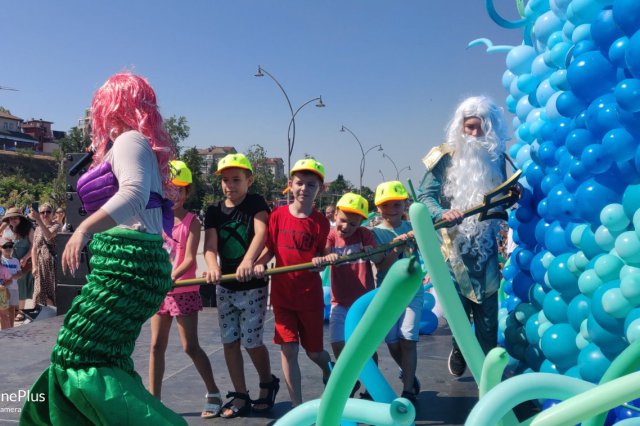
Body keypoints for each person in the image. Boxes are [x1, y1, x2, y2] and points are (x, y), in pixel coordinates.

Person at [20, 72, 186, 425]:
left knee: (77, 356)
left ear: (113, 106)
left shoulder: (130, 140)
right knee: (105, 359)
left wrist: (83, 228)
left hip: (128, 265)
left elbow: (134, 195)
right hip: (131, 264)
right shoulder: (132, 144)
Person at [417, 95, 508, 377]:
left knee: (488, 319)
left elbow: (502, 194)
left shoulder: (495, 157)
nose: (474, 133)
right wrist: (442, 214)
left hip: (486, 248)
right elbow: (425, 196)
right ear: (460, 126)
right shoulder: (444, 156)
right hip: (453, 249)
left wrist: (512, 196)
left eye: (480, 127)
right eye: (469, 127)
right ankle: (459, 346)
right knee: (459, 310)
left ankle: (488, 378)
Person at [203, 153, 279, 418]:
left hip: (253, 285)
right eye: (225, 180)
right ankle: (240, 394)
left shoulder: (255, 203)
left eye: (236, 179)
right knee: (230, 341)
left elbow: (261, 233)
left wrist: (249, 261)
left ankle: (267, 382)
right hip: (226, 286)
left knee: (251, 341)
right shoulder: (213, 211)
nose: (229, 185)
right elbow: (210, 247)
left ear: (249, 180)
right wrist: (212, 266)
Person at [254, 158, 333, 408]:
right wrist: (260, 262)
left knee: (313, 353)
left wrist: (323, 260)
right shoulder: (276, 216)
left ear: (319, 189)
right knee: (289, 350)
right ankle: (296, 406)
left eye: (311, 185)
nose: (304, 189)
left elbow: (324, 253)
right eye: (299, 183)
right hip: (283, 297)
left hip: (310, 298)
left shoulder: (321, 223)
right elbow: (269, 248)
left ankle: (328, 368)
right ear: (290, 185)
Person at [148, 160, 221, 419]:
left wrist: (169, 277)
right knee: (156, 345)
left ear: (187, 192)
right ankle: (153, 401)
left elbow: (190, 258)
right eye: (168, 189)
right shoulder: (156, 219)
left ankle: (213, 392)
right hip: (161, 291)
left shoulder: (192, 221)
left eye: (178, 189)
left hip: (183, 291)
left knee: (190, 346)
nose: (173, 194)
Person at [371, 181, 422, 407]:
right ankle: (408, 372)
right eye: (386, 206)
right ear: (378, 208)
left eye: (396, 205)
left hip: (413, 289)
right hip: (387, 292)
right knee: (392, 342)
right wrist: (396, 247)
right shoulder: (376, 234)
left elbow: (429, 248)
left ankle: (408, 388)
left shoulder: (414, 227)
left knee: (407, 337)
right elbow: (381, 266)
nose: (391, 210)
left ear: (405, 205)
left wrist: (416, 239)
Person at [1, 207, 34, 322]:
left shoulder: (28, 229)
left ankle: (20, 311)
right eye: (10, 218)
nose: (13, 220)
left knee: (21, 286)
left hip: (23, 263)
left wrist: (25, 258)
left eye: (15, 218)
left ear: (21, 218)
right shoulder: (9, 229)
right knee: (10, 285)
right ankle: (12, 309)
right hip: (9, 263)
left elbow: (33, 246)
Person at [30, 202, 62, 306]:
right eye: (42, 212)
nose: (45, 214)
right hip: (40, 263)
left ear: (52, 213)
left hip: (51, 265)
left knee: (51, 291)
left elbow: (48, 236)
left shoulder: (56, 226)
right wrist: (34, 266)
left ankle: (52, 315)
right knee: (39, 292)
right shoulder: (38, 228)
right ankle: (42, 315)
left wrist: (38, 220)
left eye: (48, 212)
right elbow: (34, 248)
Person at [0, 238, 21, 329]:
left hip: (13, 288)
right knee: (3, 311)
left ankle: (11, 328)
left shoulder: (15, 260)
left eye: (10, 246)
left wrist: (15, 276)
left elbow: (20, 273)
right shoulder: (1, 260)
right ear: (1, 248)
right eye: (5, 246)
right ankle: (4, 329)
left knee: (12, 309)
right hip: (3, 289)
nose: (8, 248)